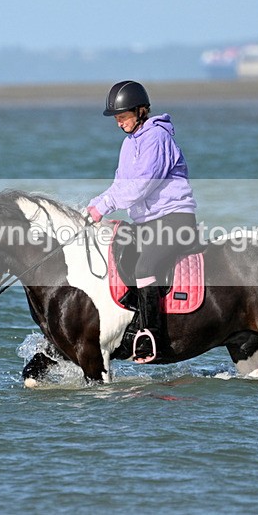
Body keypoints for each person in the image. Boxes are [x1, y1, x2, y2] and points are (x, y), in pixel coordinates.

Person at [87, 81, 198, 364]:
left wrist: (102, 206)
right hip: (148, 223)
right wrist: (91, 209)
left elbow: (140, 187)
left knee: (145, 266)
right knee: (116, 252)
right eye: (116, 118)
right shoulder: (129, 144)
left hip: (175, 219)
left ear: (141, 110)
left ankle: (153, 336)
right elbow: (119, 185)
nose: (119, 122)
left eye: (123, 116)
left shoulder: (157, 138)